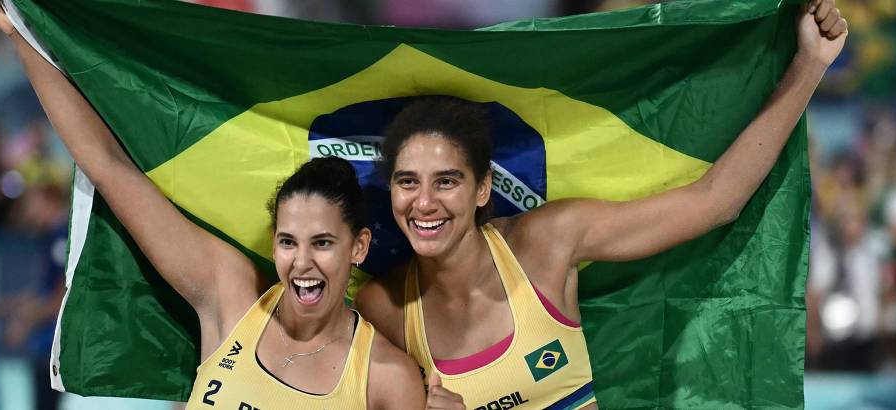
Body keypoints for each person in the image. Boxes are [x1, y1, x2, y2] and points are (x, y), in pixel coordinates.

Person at [356, 1, 848, 409]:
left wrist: (810, 65)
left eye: (446, 181)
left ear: (483, 188)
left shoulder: (545, 242)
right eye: (407, 182)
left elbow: (715, 200)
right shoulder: (383, 306)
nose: (424, 203)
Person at [0, 1, 426, 408]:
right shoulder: (229, 299)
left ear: (359, 247)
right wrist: (21, 34)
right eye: (289, 241)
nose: (302, 262)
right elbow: (108, 166)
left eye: (323, 243)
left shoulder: (385, 378)